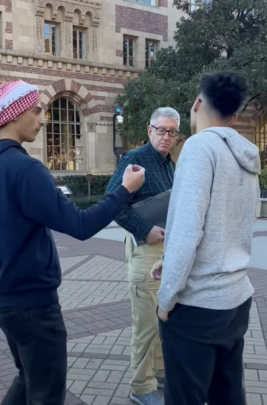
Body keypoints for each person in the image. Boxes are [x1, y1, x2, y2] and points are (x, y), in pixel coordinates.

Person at [0, 81, 146, 405]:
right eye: (36, 110)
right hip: (33, 305)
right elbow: (80, 225)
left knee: (29, 379)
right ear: (13, 116)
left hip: (1, 298)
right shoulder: (25, 169)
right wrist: (125, 190)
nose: (42, 119)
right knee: (47, 393)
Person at [153, 71, 260, 405]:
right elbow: (228, 226)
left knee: (185, 397)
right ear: (235, 115)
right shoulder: (247, 155)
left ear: (197, 103)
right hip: (236, 298)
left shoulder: (199, 147)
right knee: (227, 395)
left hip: (198, 305)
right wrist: (168, 261)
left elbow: (188, 231)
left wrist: (166, 299)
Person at [104, 107, 180, 405]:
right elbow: (113, 203)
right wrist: (145, 229)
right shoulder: (136, 159)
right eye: (161, 130)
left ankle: (159, 374)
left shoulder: (167, 163)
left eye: (172, 131)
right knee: (147, 325)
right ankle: (141, 388)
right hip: (146, 252)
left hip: (165, 253)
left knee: (163, 318)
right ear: (149, 130)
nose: (166, 136)